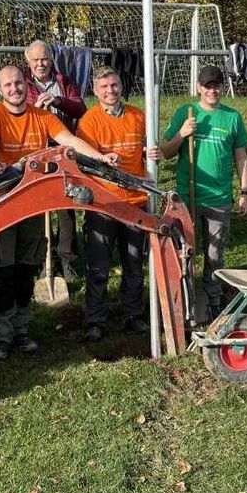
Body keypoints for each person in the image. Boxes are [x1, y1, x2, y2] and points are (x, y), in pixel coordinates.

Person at [0, 65, 118, 361]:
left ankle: (22, 330)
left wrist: (99, 156)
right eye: (8, 85)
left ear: (24, 86)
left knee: (26, 269)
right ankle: (0, 338)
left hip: (30, 205)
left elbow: (68, 141)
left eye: (18, 83)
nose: (14, 89)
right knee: (3, 272)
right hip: (0, 204)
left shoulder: (41, 116)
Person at [75, 67, 162, 341]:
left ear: (121, 86)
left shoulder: (139, 116)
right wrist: (102, 159)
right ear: (95, 91)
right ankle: (96, 319)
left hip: (135, 202)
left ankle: (133, 314)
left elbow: (151, 148)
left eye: (114, 85)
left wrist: (154, 152)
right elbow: (83, 161)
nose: (110, 91)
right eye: (104, 87)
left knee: (134, 263)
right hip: (103, 203)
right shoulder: (89, 121)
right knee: (98, 266)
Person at [159, 65, 247, 315]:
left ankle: (213, 298)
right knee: (185, 252)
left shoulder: (232, 117)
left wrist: (244, 191)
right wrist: (182, 133)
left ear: (223, 87)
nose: (213, 90)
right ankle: (185, 298)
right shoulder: (186, 113)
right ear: (199, 87)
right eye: (208, 86)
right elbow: (166, 153)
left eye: (217, 85)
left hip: (218, 199)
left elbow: (241, 157)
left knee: (214, 254)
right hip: (187, 197)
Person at [25, 40, 87, 281]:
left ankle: (67, 257)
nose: (41, 64)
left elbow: (80, 108)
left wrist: (58, 101)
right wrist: (35, 108)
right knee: (40, 207)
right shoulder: (25, 83)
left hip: (64, 150)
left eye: (45, 59)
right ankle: (44, 259)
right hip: (37, 151)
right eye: (36, 60)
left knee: (66, 206)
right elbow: (18, 111)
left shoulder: (63, 81)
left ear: (51, 59)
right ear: (28, 61)